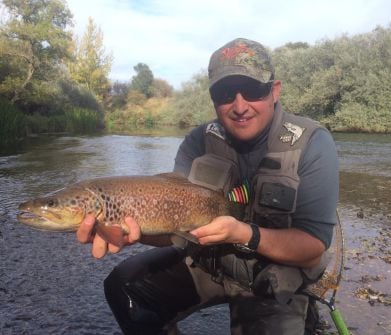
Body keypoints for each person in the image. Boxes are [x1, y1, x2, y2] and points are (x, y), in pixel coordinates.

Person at [76, 37, 339, 335]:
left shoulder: (311, 143)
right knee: (124, 286)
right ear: (214, 99)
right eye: (226, 93)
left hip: (275, 277)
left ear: (274, 91)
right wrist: (133, 232)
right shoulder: (199, 141)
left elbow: (313, 249)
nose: (240, 106)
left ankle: (305, 316)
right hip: (213, 264)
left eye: (252, 90)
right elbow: (176, 234)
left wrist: (243, 233)